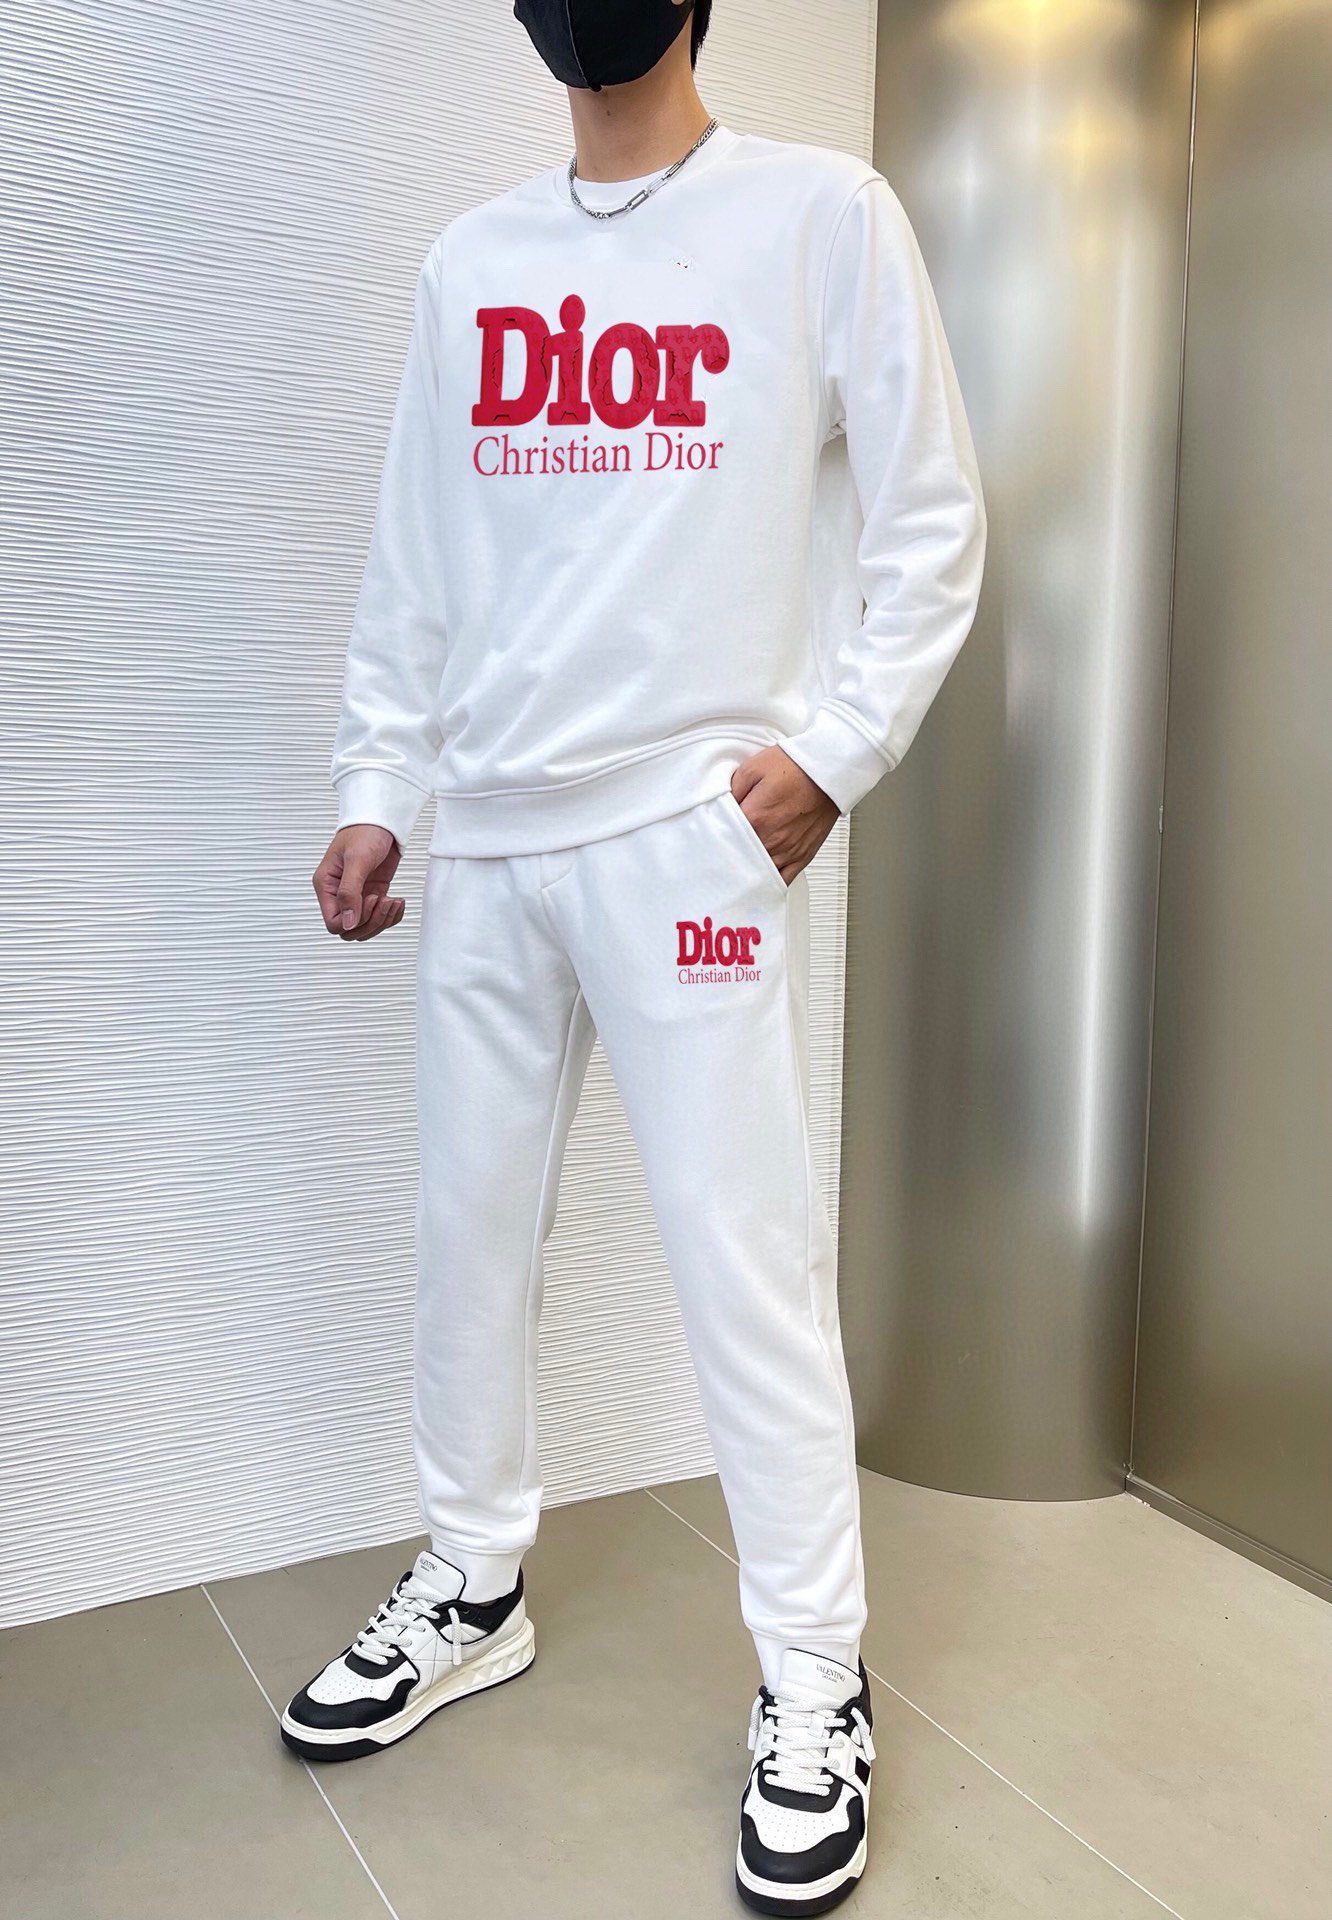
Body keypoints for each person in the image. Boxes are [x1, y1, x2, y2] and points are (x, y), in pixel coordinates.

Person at [284, 2, 986, 1911]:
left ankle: (816, 1675)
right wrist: (381, 786)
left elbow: (930, 517)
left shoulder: (820, 215)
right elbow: (416, 559)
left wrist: (834, 755)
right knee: (466, 1233)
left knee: (744, 1260)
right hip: (492, 836)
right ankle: (471, 1580)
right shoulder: (473, 262)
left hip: (687, 830)